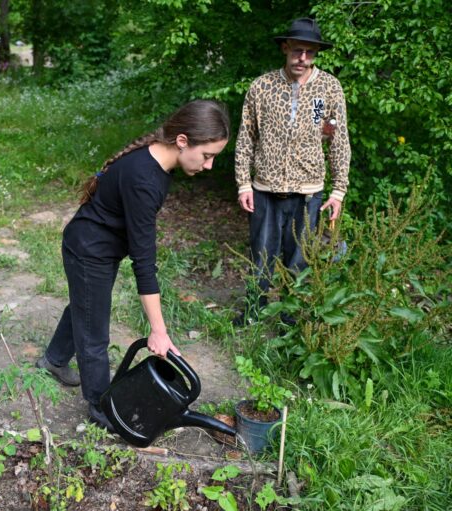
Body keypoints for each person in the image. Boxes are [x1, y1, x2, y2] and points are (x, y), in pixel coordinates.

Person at [36, 100, 230, 431]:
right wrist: (159, 330)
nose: (209, 166)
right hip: (89, 250)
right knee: (94, 331)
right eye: (207, 155)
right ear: (182, 141)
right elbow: (145, 262)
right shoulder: (145, 178)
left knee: (86, 307)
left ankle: (53, 360)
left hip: (98, 246)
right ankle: (99, 407)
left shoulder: (156, 163)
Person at [233, 17, 351, 326]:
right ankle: (252, 313)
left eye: (309, 53)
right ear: (285, 48)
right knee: (260, 255)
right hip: (265, 188)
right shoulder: (261, 87)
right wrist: (243, 183)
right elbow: (246, 136)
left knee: (299, 259)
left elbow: (337, 138)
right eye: (297, 50)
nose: (302, 58)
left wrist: (339, 190)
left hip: (308, 191)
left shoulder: (328, 88)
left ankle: (291, 321)